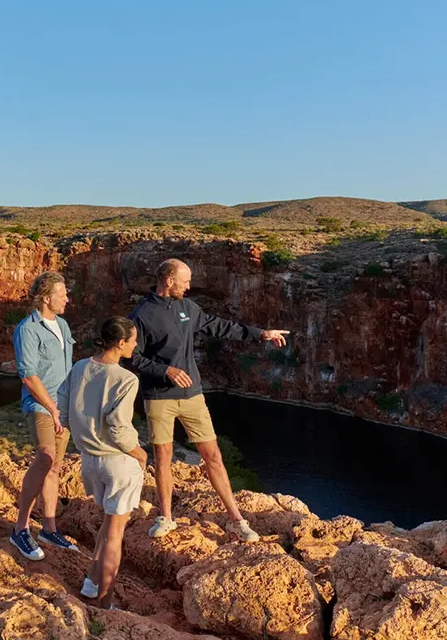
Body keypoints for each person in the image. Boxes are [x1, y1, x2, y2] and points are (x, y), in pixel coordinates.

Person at [127, 259, 289, 542]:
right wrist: (166, 370)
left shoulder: (187, 308)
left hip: (193, 396)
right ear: (168, 280)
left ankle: (237, 520)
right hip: (159, 397)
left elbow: (220, 326)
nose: (189, 286)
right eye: (185, 281)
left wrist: (261, 334)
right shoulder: (142, 315)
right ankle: (165, 517)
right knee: (163, 458)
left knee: (213, 455)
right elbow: (133, 355)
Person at [58, 316, 148, 608]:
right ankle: (105, 603)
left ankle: (90, 583)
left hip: (89, 460)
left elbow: (63, 408)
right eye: (133, 341)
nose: (135, 345)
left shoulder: (80, 367)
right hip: (118, 462)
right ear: (121, 343)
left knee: (107, 526)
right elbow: (119, 428)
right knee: (114, 534)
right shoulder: (125, 379)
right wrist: (139, 453)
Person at [9, 270, 80, 560]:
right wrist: (51, 407)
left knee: (55, 466)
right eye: (63, 294)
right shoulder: (28, 329)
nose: (67, 299)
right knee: (46, 456)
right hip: (41, 405)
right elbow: (28, 375)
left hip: (63, 406)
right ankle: (20, 529)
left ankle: (49, 529)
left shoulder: (62, 325)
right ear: (47, 297)